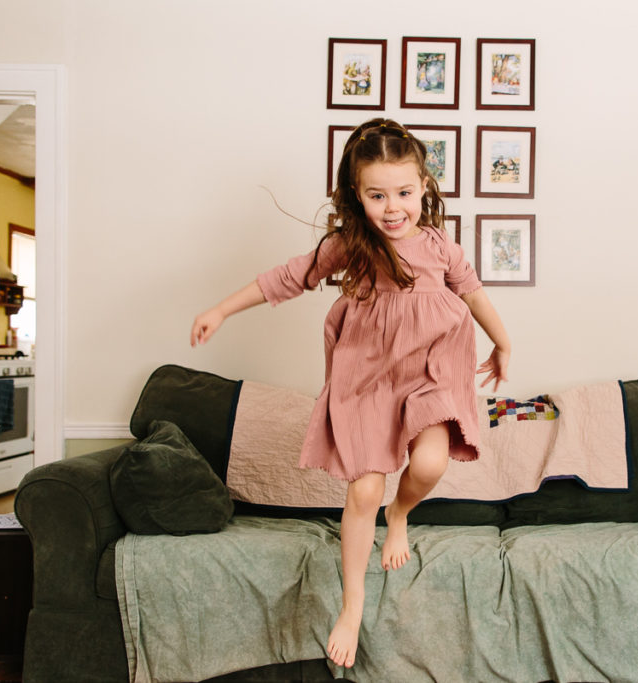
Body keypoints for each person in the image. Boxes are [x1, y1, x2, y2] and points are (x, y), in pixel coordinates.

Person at [189, 118, 511, 670]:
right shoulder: (351, 247)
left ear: (424, 188)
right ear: (355, 195)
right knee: (363, 493)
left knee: (430, 464)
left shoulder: (439, 248)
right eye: (377, 195)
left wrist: (503, 344)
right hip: (367, 379)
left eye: (404, 193)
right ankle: (353, 604)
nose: (393, 208)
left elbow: (474, 292)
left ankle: (402, 514)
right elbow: (285, 278)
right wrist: (220, 308)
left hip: (430, 372)